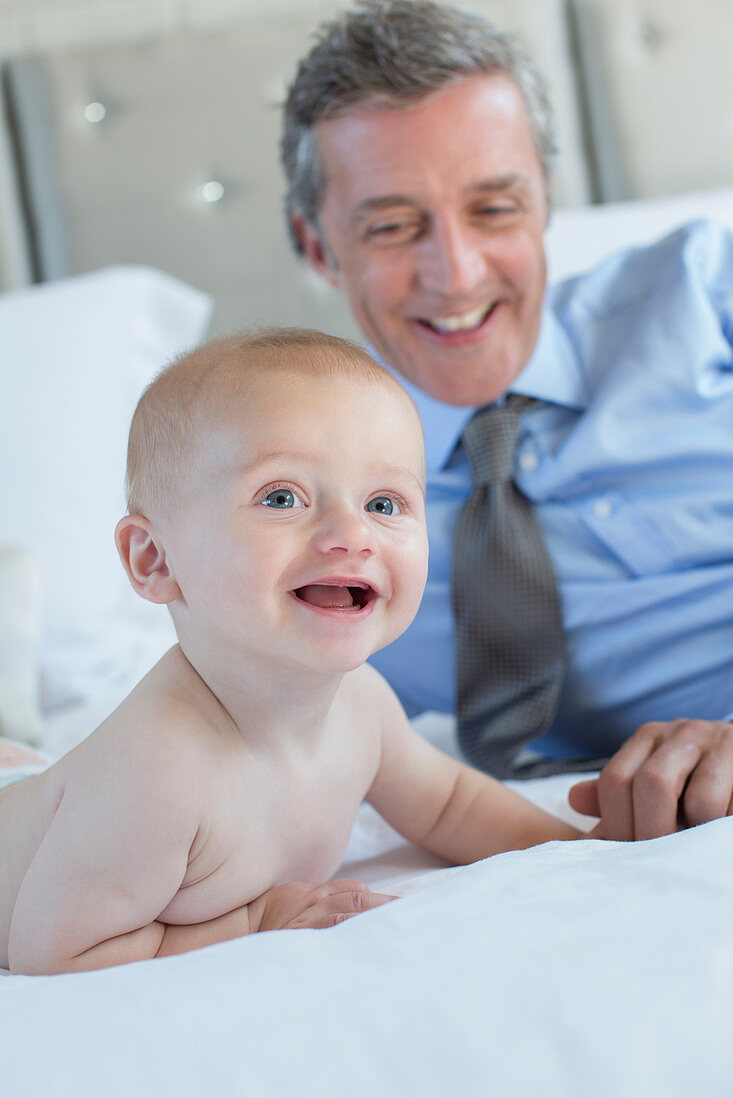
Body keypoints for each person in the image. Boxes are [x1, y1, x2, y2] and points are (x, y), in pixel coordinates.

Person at [1, 326, 598, 976]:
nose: (351, 534)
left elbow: (450, 804)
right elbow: (53, 949)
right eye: (281, 497)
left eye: (383, 502)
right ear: (155, 559)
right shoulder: (157, 771)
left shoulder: (361, 703)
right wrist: (253, 920)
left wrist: (587, 851)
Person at [281, 0, 733, 840]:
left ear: (543, 200)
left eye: (492, 209)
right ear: (316, 246)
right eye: (391, 225)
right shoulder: (292, 495)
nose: (454, 274)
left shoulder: (705, 292)